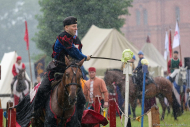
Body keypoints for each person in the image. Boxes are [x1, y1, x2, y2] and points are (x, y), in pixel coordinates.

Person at [33, 16, 91, 123]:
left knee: (82, 98)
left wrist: (82, 59)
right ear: (66, 27)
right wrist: (84, 57)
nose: (76, 29)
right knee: (42, 90)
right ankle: (35, 114)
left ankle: (78, 121)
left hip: (71, 71)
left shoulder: (77, 40)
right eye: (73, 26)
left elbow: (77, 54)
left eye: (76, 26)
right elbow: (74, 52)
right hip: (56, 70)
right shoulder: (63, 37)